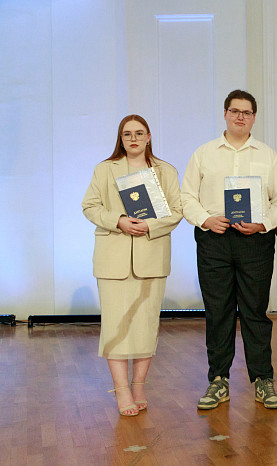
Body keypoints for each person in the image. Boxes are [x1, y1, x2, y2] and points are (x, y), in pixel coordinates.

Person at [181, 90, 277, 410]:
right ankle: (218, 380)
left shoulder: (267, 156)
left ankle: (263, 380)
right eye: (235, 111)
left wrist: (264, 224)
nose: (240, 116)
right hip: (214, 240)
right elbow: (186, 197)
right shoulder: (204, 153)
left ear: (254, 117)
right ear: (226, 114)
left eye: (247, 112)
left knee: (256, 312)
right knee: (218, 313)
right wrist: (206, 219)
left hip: (255, 242)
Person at [82, 114, 183, 416]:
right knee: (115, 325)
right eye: (127, 134)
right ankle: (121, 389)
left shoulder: (165, 171)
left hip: (151, 257)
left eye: (139, 133)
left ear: (149, 136)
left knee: (145, 324)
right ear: (121, 139)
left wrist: (149, 226)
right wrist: (119, 222)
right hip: (113, 260)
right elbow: (90, 206)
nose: (134, 139)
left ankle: (138, 385)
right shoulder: (104, 169)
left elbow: (177, 211)